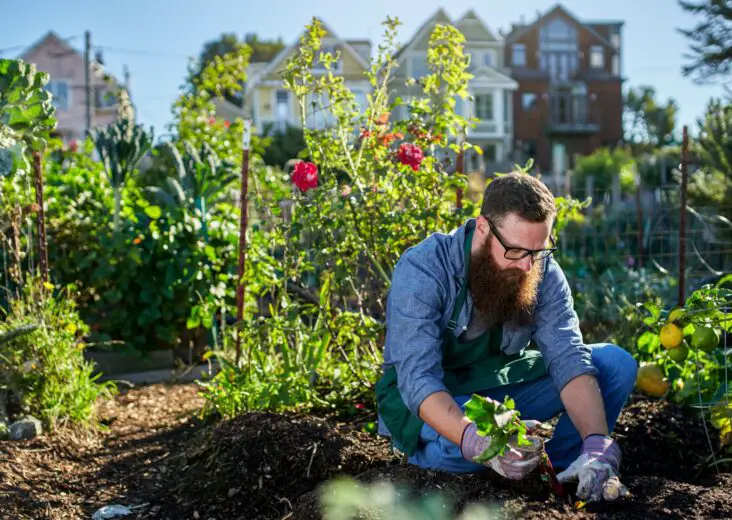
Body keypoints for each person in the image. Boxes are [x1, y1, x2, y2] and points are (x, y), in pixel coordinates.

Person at [375, 173, 637, 502]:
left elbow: (568, 356)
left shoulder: (540, 269)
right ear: (483, 228)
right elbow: (418, 378)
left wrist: (597, 443)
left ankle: (564, 472)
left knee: (615, 364)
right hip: (432, 399)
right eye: (515, 251)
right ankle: (434, 462)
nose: (528, 266)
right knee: (464, 452)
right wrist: (474, 438)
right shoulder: (425, 269)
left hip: (497, 387)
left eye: (538, 251)